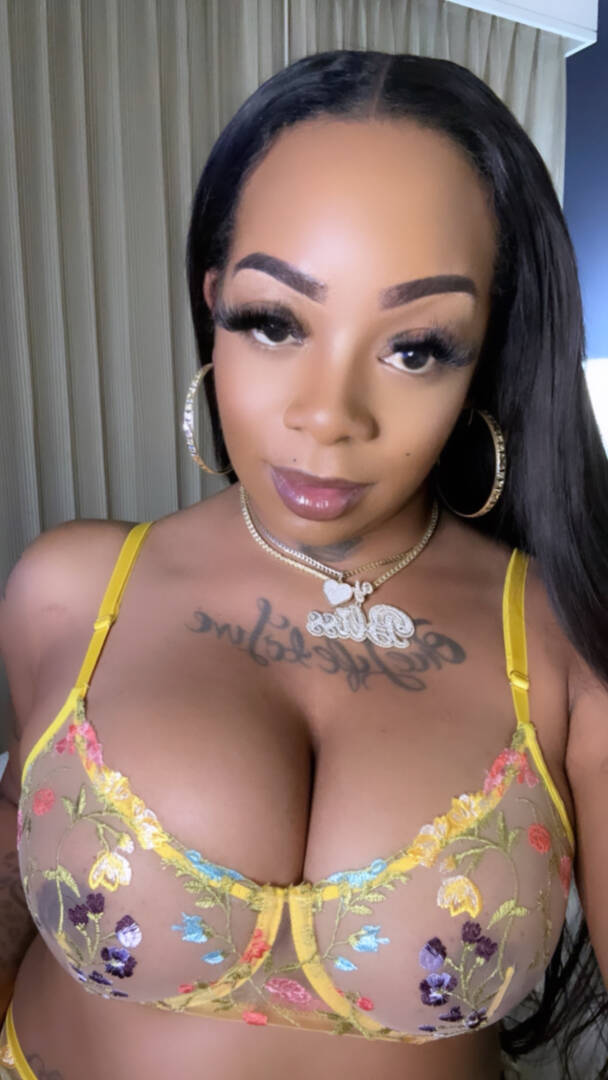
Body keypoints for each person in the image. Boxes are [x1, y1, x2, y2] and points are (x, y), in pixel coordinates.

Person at [0, 48, 607, 1080]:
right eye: (274, 322)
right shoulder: (68, 590)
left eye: (415, 347)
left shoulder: (565, 640)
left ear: (483, 354)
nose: (328, 418)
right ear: (213, 308)